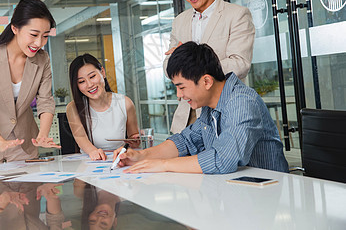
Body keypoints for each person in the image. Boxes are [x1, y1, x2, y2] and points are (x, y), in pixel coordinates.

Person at [115, 42, 288, 174]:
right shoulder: (210, 106)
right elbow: (185, 141)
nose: (179, 95)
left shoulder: (241, 102)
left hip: (268, 193)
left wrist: (163, 164)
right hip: (236, 190)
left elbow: (223, 159)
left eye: (182, 87)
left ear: (206, 81)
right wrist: (141, 156)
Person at [164, 0, 255, 133]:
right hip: (186, 117)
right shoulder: (179, 21)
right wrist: (176, 59)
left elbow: (240, 63)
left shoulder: (236, 14)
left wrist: (192, 69)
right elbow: (168, 65)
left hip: (223, 113)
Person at [0, 0, 60, 166]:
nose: (39, 43)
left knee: (27, 191)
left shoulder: (42, 59)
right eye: (34, 35)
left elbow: (45, 101)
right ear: (15, 28)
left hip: (23, 144)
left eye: (45, 36)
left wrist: (43, 134)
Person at [66, 54, 139, 161]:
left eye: (92, 77)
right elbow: (80, 138)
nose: (89, 84)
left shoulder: (125, 103)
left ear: (102, 72)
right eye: (82, 81)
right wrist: (93, 151)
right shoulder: (73, 108)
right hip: (91, 161)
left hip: (120, 159)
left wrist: (135, 140)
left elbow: (133, 139)